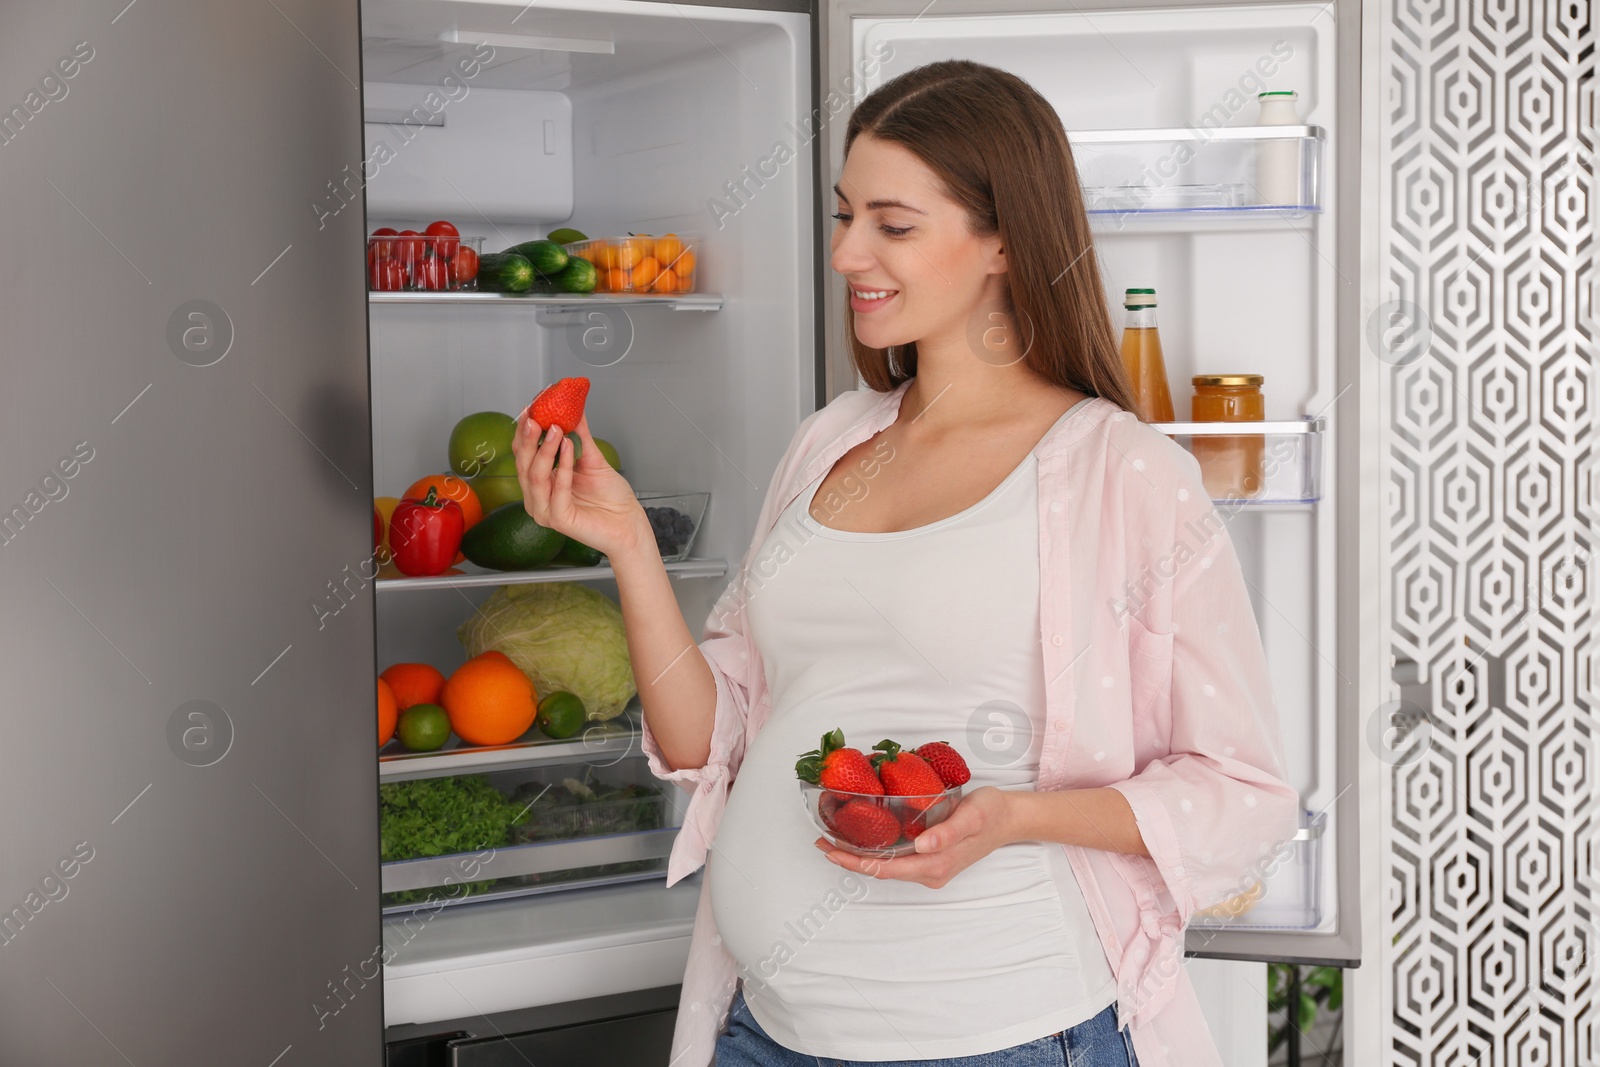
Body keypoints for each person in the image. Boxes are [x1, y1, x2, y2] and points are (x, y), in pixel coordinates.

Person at [511, 58, 1298, 1067]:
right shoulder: (828, 440)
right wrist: (625, 544)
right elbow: (714, 734)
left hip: (995, 1034)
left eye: (892, 224)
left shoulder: (1121, 470)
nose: (845, 252)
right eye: (844, 216)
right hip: (765, 1026)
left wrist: (1016, 817)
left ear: (1002, 240)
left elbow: (1243, 788)